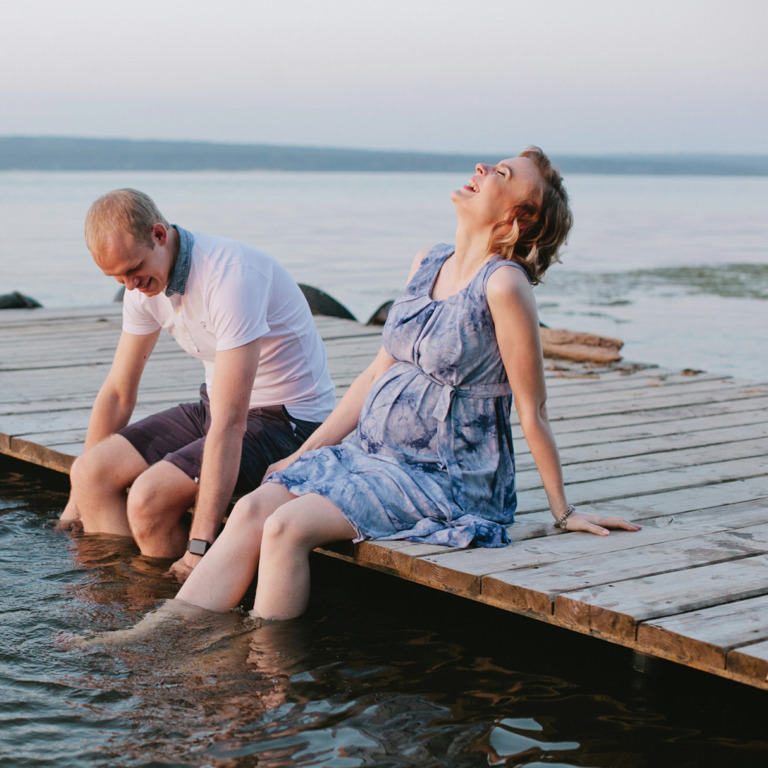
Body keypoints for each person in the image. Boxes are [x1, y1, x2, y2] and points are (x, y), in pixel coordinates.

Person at [170, 146, 641, 618]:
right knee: (254, 508)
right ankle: (167, 629)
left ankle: (264, 671)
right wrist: (303, 452)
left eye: (502, 173)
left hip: (444, 476)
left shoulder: (502, 285)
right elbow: (376, 372)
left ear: (521, 216)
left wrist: (563, 511)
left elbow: (532, 408)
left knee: (285, 528)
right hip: (372, 455)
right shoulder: (427, 262)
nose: (481, 168)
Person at [56, 189, 336, 580]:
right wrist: (76, 501)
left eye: (133, 270)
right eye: (117, 277)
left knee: (148, 499)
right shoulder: (141, 284)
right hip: (216, 405)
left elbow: (231, 422)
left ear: (158, 234)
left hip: (287, 422)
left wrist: (198, 549)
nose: (130, 285)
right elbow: (119, 391)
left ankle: (172, 609)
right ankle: (120, 599)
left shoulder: (230, 277)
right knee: (89, 473)